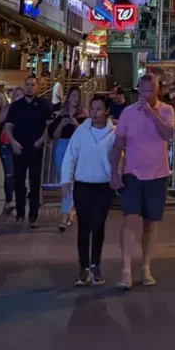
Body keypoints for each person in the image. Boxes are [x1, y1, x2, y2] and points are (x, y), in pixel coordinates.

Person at [110, 72, 175, 289]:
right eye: (143, 91)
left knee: (151, 223)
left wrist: (152, 114)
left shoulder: (166, 110)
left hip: (158, 174)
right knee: (129, 220)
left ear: (158, 90)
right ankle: (125, 271)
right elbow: (118, 144)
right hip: (133, 173)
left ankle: (146, 267)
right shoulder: (128, 113)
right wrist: (114, 172)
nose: (146, 95)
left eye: (151, 91)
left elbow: (167, 134)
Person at [61, 95, 116, 286]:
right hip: (83, 185)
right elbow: (70, 156)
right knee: (83, 226)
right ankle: (83, 267)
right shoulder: (81, 132)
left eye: (99, 109)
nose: (94, 112)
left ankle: (96, 265)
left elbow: (119, 158)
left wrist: (118, 177)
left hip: (103, 186)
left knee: (98, 225)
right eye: (92, 108)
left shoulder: (114, 133)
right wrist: (66, 180)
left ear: (106, 111)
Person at [4, 75, 52, 228]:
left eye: (33, 85)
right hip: (19, 148)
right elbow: (8, 126)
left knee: (35, 182)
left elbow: (48, 126)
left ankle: (33, 214)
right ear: (23, 86)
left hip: (36, 149)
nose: (30, 87)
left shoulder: (44, 105)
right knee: (19, 182)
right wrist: (13, 142)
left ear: (37, 87)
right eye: (27, 85)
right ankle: (19, 213)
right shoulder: (16, 106)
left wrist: (41, 140)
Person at [48, 86, 87, 230]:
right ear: (68, 97)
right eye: (73, 96)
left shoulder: (85, 115)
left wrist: (77, 125)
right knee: (65, 181)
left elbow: (87, 136)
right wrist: (61, 125)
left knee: (72, 182)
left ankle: (65, 215)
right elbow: (54, 136)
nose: (75, 99)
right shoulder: (60, 114)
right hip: (62, 148)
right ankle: (69, 211)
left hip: (77, 149)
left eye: (78, 96)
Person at [0, 87, 23, 213]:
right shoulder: (8, 108)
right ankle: (8, 200)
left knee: (18, 175)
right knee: (9, 173)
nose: (18, 97)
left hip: (20, 146)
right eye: (16, 95)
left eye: (20, 95)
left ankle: (18, 200)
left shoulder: (26, 110)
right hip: (6, 145)